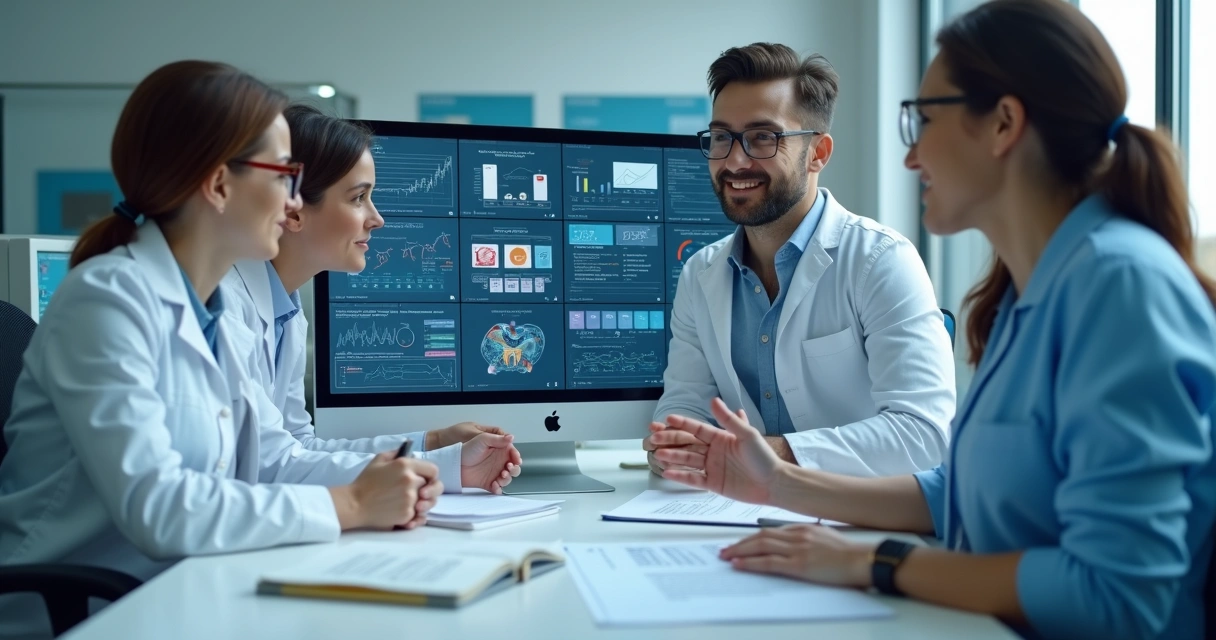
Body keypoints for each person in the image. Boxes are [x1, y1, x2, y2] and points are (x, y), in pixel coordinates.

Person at [650, 2, 1216, 638]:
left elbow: (1117, 594)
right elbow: (961, 493)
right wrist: (779, 485)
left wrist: (877, 560)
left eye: (923, 120)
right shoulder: (1030, 292)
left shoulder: (1120, 287)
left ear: (1003, 125)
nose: (910, 156)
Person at [0, 61, 441, 637]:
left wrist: (400, 477)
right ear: (218, 184)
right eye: (283, 175)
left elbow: (266, 460)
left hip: (182, 594)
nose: (292, 205)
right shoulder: (105, 300)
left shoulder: (212, 309)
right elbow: (159, 508)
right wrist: (352, 504)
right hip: (79, 614)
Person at [645, 43, 955, 477]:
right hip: (735, 517)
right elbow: (685, 403)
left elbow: (925, 435)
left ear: (819, 154)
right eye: (721, 138)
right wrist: (673, 443)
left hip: (857, 522)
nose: (734, 160)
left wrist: (772, 455)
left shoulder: (883, 261)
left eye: (762, 138)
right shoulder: (700, 274)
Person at [221, 104, 521, 495]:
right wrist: (439, 466)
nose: (376, 219)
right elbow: (271, 463)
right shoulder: (227, 305)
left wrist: (434, 443)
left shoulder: (286, 311)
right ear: (293, 210)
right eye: (358, 198)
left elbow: (299, 447)